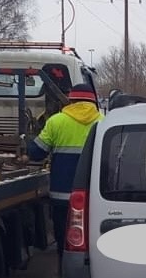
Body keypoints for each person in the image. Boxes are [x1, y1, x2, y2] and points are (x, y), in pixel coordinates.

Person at [27, 83, 103, 267]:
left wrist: (27, 145)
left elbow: (37, 153)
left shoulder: (57, 121)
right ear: (93, 101)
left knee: (65, 240)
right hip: (94, 197)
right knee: (92, 240)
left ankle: (66, 277)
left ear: (71, 100)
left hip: (62, 196)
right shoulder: (103, 121)